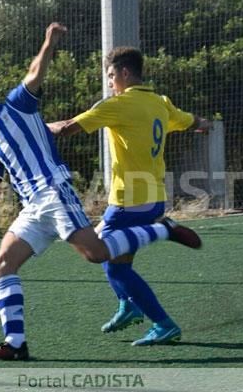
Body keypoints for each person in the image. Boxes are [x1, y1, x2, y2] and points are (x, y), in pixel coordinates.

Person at [0, 23, 201, 360]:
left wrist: (49, 42)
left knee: (96, 255)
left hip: (54, 192)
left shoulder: (17, 105)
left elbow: (36, 72)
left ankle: (161, 230)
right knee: (2, 264)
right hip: (32, 208)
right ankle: (15, 344)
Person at [48, 46, 210, 346]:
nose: (110, 83)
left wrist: (35, 128)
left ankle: (162, 322)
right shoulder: (160, 102)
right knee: (116, 261)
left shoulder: (120, 104)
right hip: (155, 198)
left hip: (129, 203)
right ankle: (128, 305)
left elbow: (68, 128)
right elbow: (190, 121)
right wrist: (203, 124)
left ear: (124, 73)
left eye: (111, 76)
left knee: (104, 257)